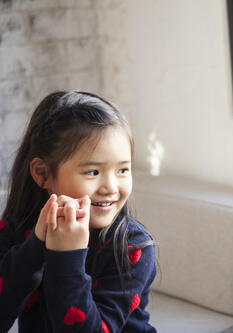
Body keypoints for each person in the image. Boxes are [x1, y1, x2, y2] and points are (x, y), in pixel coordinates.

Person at [0, 91, 157, 332]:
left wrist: (67, 256)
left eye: (123, 170)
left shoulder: (131, 246)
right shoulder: (19, 227)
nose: (111, 188)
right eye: (93, 172)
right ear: (42, 173)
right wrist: (35, 247)